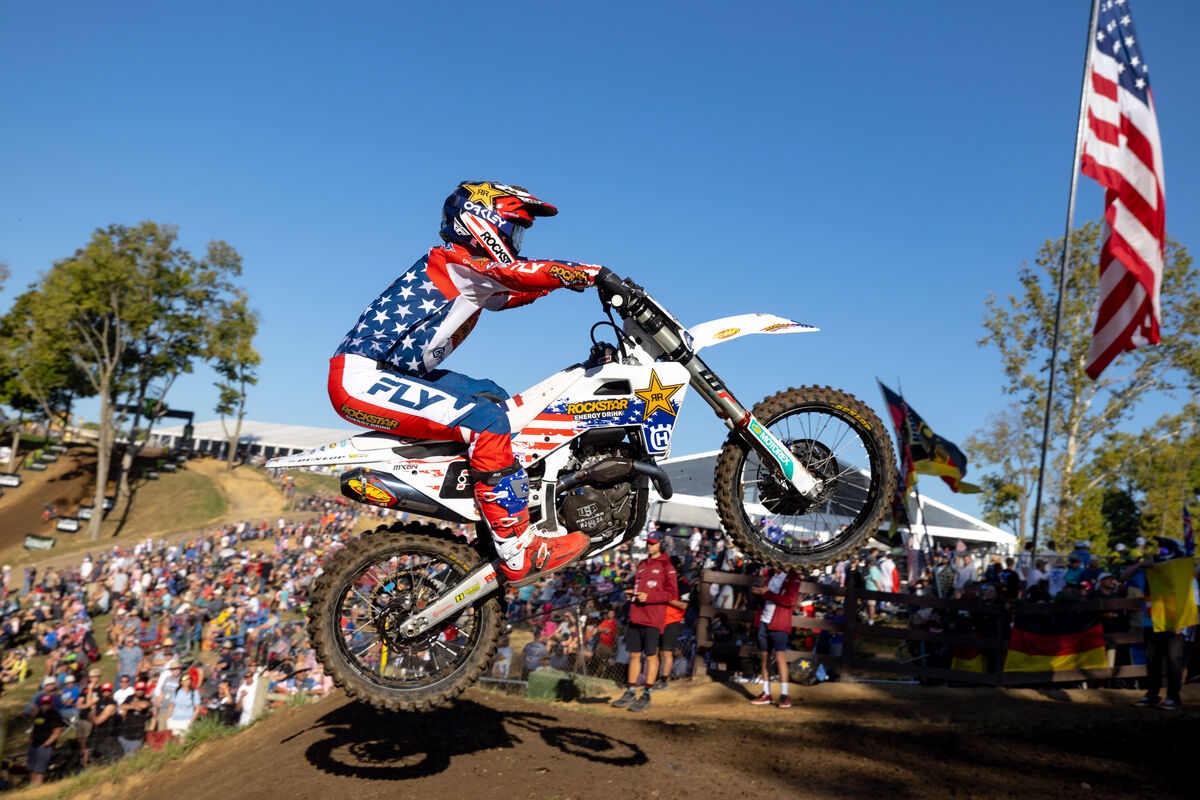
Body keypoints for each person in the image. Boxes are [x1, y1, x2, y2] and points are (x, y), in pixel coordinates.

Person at [328, 181, 605, 586]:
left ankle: (496, 514)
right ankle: (517, 551)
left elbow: (509, 293)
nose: (517, 241)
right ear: (483, 224)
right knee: (487, 422)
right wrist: (595, 275)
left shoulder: (468, 273)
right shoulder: (457, 261)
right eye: (513, 229)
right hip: (362, 378)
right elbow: (512, 275)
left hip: (394, 374)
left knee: (494, 399)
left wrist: (564, 285)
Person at [611, 530, 678, 713]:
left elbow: (672, 594)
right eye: (648, 542)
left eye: (653, 543)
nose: (649, 545)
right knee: (634, 655)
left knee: (651, 656)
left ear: (661, 545)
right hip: (636, 615)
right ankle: (630, 690)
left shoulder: (667, 566)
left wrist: (649, 597)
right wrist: (632, 594)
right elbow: (639, 587)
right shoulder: (642, 564)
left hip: (653, 618)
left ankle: (647, 693)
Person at [748, 568, 802, 709]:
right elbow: (764, 597)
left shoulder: (793, 577)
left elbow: (789, 600)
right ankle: (766, 693)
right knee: (764, 657)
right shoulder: (770, 575)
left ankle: (784, 694)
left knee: (780, 657)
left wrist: (767, 594)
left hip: (779, 622)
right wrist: (757, 593)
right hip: (764, 620)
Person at [26, 694, 63, 787]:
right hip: (34, 743)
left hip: (45, 745)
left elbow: (57, 732)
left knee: (40, 768)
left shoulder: (55, 715)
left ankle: (38, 786)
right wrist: (30, 739)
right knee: (31, 767)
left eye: (48, 703)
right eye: (44, 703)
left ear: (51, 704)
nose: (46, 705)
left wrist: (46, 744)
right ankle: (32, 787)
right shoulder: (38, 714)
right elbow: (34, 728)